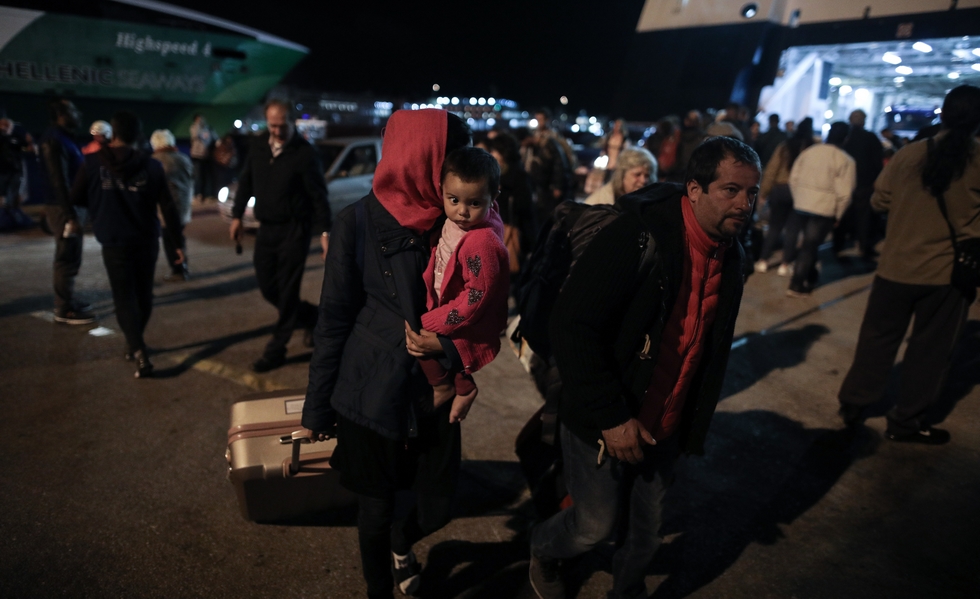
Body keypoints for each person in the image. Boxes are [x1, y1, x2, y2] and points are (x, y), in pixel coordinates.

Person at [528, 137, 760, 599]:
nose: (745, 203)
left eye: (752, 193)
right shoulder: (638, 236)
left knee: (646, 533)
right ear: (694, 189)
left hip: (663, 425)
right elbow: (572, 327)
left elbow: (704, 350)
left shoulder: (731, 253)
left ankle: (627, 589)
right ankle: (544, 550)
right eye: (731, 190)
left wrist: (688, 425)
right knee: (593, 525)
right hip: (602, 418)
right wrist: (612, 418)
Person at [300, 109, 472, 599]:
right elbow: (333, 318)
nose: (456, 175)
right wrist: (317, 407)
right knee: (373, 512)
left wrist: (455, 351)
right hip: (370, 391)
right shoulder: (355, 221)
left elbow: (480, 304)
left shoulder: (457, 219)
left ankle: (405, 539)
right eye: (449, 160)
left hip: (433, 389)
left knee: (437, 506)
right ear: (422, 158)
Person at [837, 84, 980, 445]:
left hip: (895, 268)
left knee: (876, 340)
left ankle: (854, 406)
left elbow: (879, 201)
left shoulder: (910, 154)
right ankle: (906, 422)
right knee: (929, 352)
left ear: (942, 114)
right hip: (946, 277)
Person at [69, 110, 185, 378]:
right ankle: (136, 344)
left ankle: (136, 347)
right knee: (144, 295)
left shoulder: (92, 162)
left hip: (113, 239)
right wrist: (178, 243)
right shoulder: (152, 165)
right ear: (139, 135)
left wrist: (100, 206)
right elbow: (168, 206)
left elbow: (77, 195)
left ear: (114, 133)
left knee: (123, 296)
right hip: (145, 239)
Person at [229, 99, 330, 372]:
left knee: (287, 291)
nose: (276, 131)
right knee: (267, 286)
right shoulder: (259, 145)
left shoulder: (305, 153)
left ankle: (276, 349)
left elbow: (319, 196)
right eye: (272, 125)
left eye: (281, 125)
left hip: (294, 230)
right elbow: (247, 180)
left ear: (291, 122)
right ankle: (312, 317)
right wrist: (237, 215)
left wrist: (324, 232)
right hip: (267, 229)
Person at [415, 146, 510, 423]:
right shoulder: (460, 224)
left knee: (417, 338)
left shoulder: (481, 242)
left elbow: (477, 295)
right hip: (446, 301)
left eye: (474, 203)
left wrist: (436, 321)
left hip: (456, 312)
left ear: (493, 198)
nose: (462, 212)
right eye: (453, 199)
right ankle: (462, 386)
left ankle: (445, 386)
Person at [783, 122, 856, 297]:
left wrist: (799, 198)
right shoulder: (845, 160)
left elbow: (793, 178)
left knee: (808, 244)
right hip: (824, 207)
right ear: (846, 138)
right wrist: (839, 213)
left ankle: (807, 276)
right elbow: (845, 193)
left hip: (802, 204)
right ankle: (797, 284)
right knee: (810, 246)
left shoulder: (809, 152)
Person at [39, 98, 93, 324]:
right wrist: (70, 215)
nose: (78, 115)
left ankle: (68, 300)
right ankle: (63, 309)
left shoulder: (64, 139)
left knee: (71, 255)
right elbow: (58, 181)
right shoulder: (54, 140)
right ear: (61, 114)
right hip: (64, 209)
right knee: (66, 257)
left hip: (70, 207)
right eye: (73, 111)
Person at [754, 117, 815, 275]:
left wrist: (764, 192)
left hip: (780, 189)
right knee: (793, 229)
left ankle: (763, 261)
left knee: (774, 226)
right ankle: (785, 264)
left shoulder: (785, 145)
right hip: (799, 191)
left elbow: (772, 169)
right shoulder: (812, 149)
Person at [837, 109, 884, 261]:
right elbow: (878, 162)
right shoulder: (871, 137)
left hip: (844, 183)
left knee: (842, 214)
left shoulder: (845, 137)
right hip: (864, 184)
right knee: (864, 217)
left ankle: (838, 244)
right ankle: (864, 245)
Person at [487, 133, 534, 283]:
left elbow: (524, 208)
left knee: (509, 276)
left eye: (494, 150)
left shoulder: (517, 177)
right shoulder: (493, 173)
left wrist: (503, 190)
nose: (491, 153)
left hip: (510, 232)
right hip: (495, 231)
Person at [150, 129, 194, 282]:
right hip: (183, 205)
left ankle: (178, 270)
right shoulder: (183, 158)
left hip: (166, 209)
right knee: (178, 236)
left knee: (170, 240)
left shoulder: (155, 161)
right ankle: (183, 267)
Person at [524, 108, 572, 226]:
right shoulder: (534, 136)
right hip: (538, 182)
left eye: (541, 119)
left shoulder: (553, 138)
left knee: (549, 215)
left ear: (547, 120)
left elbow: (559, 163)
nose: (539, 122)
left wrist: (558, 185)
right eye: (537, 119)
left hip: (549, 183)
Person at [584, 147, 657, 206]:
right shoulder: (598, 205)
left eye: (647, 176)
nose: (643, 180)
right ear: (622, 175)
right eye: (637, 175)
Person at [0, 115, 34, 229]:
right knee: (3, 196)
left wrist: (28, 147)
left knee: (16, 195)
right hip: (3, 170)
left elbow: (28, 147)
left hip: (16, 169)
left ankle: (16, 219)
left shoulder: (18, 131)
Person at [189, 114, 214, 201]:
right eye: (199, 119)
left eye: (202, 119)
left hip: (206, 155)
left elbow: (210, 138)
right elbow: (196, 135)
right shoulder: (193, 128)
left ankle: (204, 194)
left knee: (205, 176)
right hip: (196, 155)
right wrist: (198, 125)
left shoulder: (208, 128)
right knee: (197, 176)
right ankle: (196, 194)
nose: (201, 121)